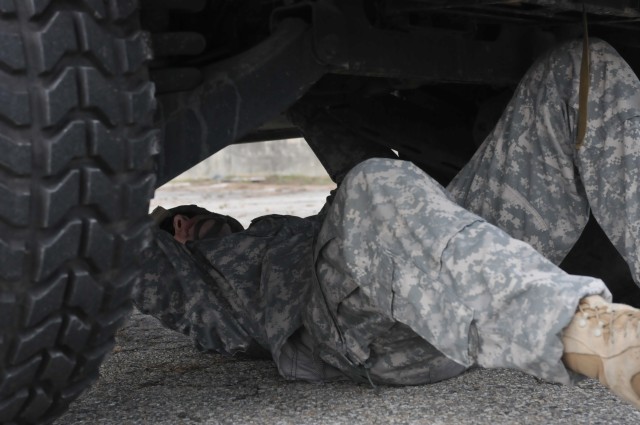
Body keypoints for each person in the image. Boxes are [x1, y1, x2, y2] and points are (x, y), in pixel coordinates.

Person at [135, 38, 640, 409]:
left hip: (460, 267)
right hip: (367, 336)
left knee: (579, 67)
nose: (181, 222)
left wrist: (299, 94)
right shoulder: (206, 295)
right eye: (170, 229)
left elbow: (358, 169)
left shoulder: (285, 228)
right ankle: (602, 341)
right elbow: (118, 255)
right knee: (373, 182)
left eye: (188, 212)